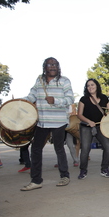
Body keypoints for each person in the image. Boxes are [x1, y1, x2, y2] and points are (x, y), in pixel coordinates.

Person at [20, 57, 74, 191]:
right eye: (50, 64)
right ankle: (36, 180)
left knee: (59, 148)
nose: (53, 66)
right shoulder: (39, 81)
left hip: (59, 122)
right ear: (45, 67)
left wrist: (55, 100)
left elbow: (70, 98)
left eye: (55, 64)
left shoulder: (64, 81)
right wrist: (21, 101)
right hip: (42, 122)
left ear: (58, 67)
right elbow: (32, 95)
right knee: (36, 149)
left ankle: (64, 176)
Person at [77, 79, 109, 179]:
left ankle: (104, 169)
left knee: (108, 146)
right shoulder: (83, 99)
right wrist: (89, 121)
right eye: (88, 85)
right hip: (86, 126)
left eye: (92, 85)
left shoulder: (103, 98)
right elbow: (79, 115)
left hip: (100, 126)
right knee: (85, 149)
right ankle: (83, 170)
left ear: (97, 86)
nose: (90, 87)